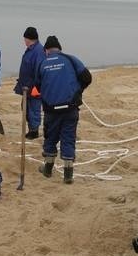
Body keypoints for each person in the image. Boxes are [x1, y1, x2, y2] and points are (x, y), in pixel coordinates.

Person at [32, 35, 91, 184]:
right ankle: (68, 175)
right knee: (68, 138)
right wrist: (76, 91)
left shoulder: (43, 63)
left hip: (51, 109)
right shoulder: (71, 59)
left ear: (46, 50)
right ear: (59, 49)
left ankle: (48, 169)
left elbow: (38, 85)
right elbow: (87, 77)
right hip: (70, 108)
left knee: (50, 137)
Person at [14, 27, 46, 139]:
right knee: (26, 108)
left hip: (34, 87)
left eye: (25, 39)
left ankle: (34, 130)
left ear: (29, 39)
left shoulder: (38, 51)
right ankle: (31, 129)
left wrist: (36, 86)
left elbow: (39, 70)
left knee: (33, 109)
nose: (24, 41)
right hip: (26, 86)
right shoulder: (31, 49)